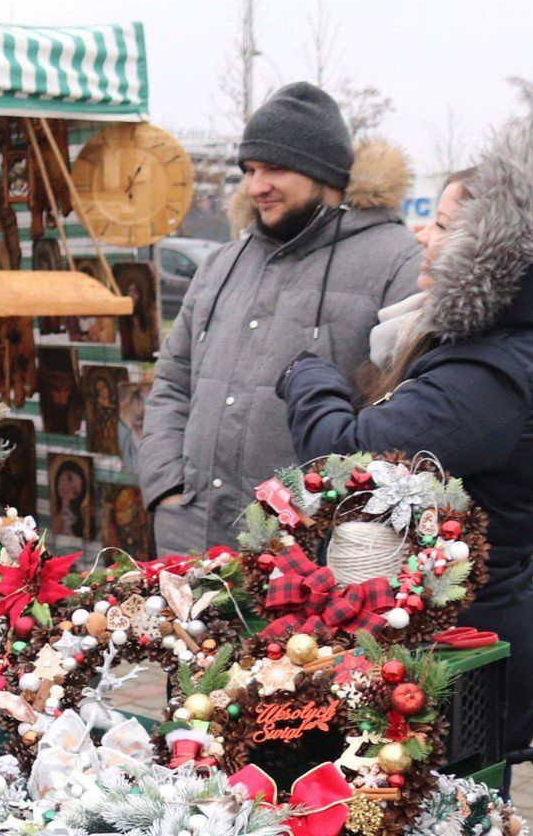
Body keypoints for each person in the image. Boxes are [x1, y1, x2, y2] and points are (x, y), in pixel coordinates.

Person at [277, 116, 533, 765]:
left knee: (437, 816)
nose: (422, 233)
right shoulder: (503, 346)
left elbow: (350, 458)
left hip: (461, 653)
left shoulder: (495, 375)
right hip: (442, 635)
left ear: (496, 255)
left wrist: (307, 376)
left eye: (444, 226)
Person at [140, 82, 422, 555]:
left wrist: (342, 525)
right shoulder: (221, 264)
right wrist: (167, 488)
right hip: (190, 539)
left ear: (323, 172)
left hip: (311, 559)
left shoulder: (399, 262)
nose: (256, 186)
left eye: (274, 168)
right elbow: (172, 381)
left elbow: (410, 413)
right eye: (249, 170)